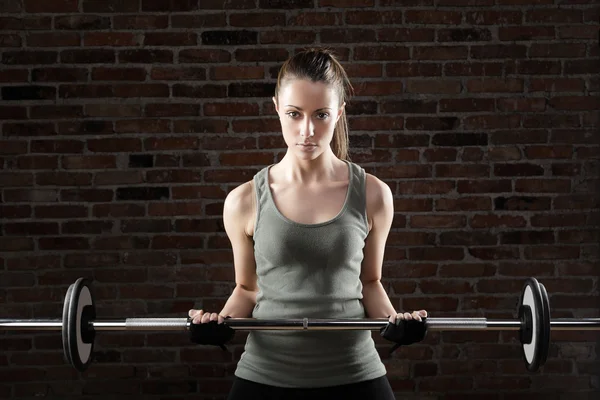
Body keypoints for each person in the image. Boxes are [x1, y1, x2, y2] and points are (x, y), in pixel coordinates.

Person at [188, 47, 428, 400]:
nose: (307, 130)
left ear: (339, 113)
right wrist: (219, 324)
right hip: (265, 375)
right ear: (276, 108)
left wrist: (396, 324)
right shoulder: (243, 200)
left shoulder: (374, 195)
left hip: (354, 371)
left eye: (321, 115)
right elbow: (248, 289)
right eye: (294, 114)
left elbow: (370, 282)